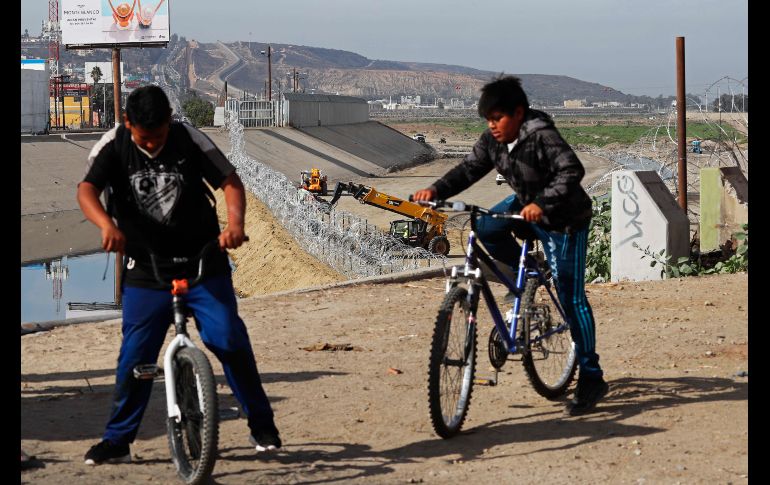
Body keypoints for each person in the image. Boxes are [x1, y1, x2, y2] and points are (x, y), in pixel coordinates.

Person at [77, 85, 281, 465]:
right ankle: (118, 440)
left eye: (158, 136)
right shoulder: (114, 143)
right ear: (128, 124)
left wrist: (234, 224)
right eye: (144, 137)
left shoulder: (188, 137)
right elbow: (87, 189)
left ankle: (262, 425)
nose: (152, 144)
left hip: (202, 261)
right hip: (146, 267)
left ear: (170, 121)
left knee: (229, 339)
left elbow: (230, 182)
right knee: (135, 357)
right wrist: (106, 224)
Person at [412, 75, 608, 416]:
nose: (493, 126)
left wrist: (542, 204)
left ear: (519, 113)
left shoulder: (540, 135)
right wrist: (437, 190)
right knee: (486, 225)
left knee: (571, 295)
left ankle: (592, 375)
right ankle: (528, 281)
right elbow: (469, 169)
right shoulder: (493, 140)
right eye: (488, 120)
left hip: (564, 219)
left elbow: (571, 170)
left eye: (498, 118)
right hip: (525, 207)